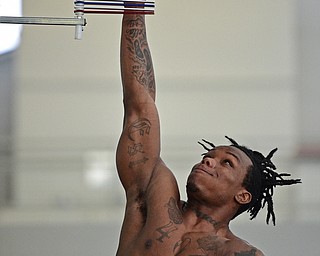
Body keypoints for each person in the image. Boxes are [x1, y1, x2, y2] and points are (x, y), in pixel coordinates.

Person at [115, 11, 301, 256]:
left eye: (227, 163)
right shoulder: (154, 198)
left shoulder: (237, 252)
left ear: (243, 195)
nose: (208, 160)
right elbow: (140, 110)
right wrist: (134, 11)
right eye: (209, 156)